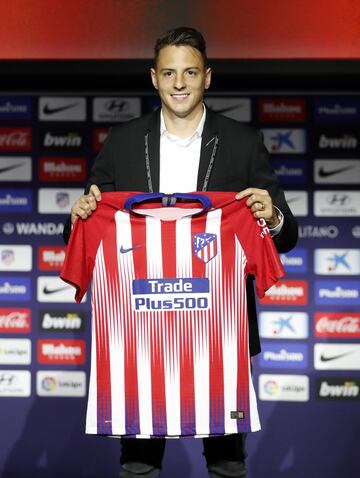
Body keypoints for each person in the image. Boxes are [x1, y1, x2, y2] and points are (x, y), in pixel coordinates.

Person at [63, 26, 298, 478]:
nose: (179, 83)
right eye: (169, 73)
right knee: (138, 466)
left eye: (190, 72)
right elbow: (86, 224)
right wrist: (78, 214)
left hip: (219, 332)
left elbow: (286, 236)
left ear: (207, 77)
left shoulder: (242, 142)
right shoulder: (123, 140)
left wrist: (272, 216)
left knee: (227, 464)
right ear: (154, 78)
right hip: (138, 331)